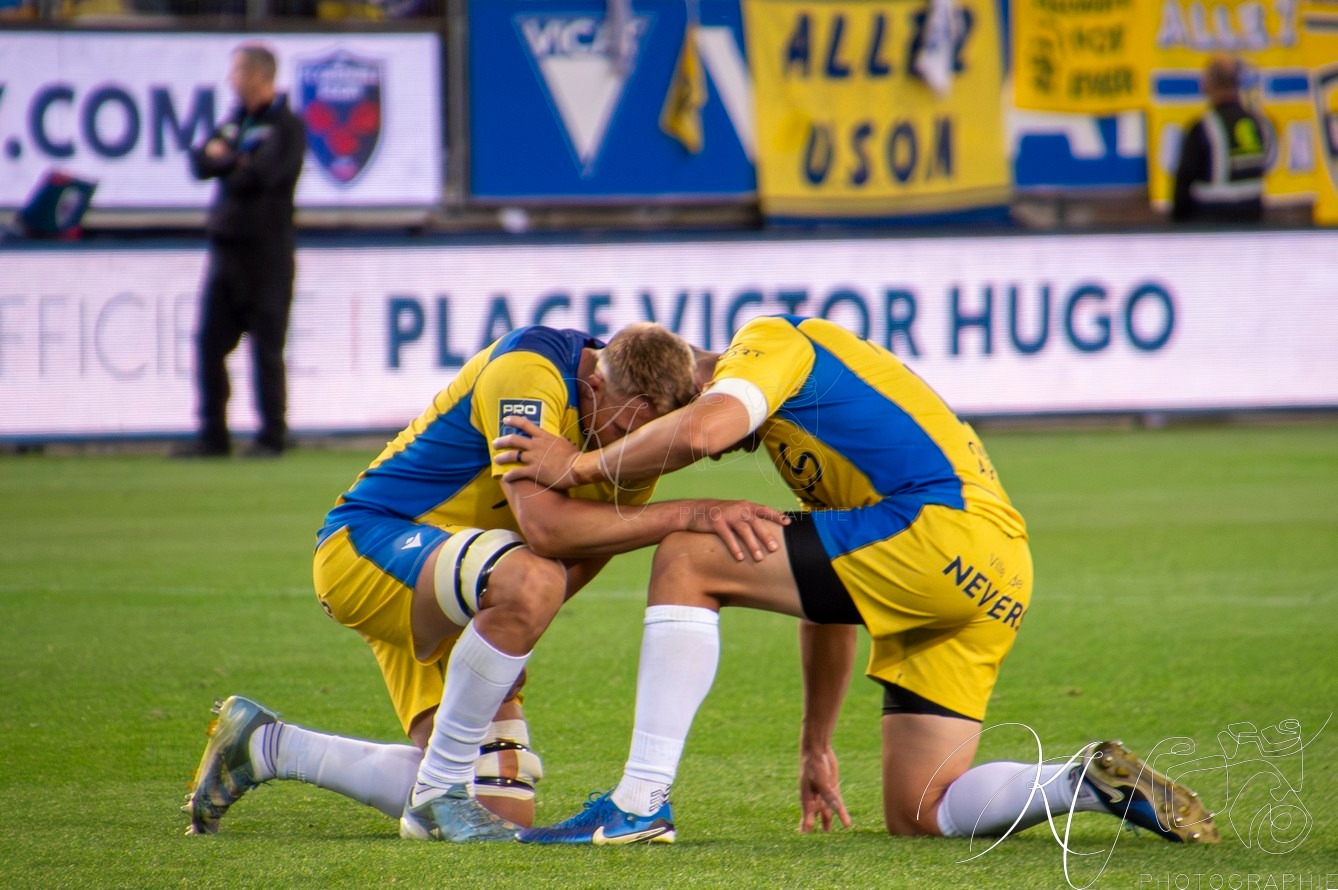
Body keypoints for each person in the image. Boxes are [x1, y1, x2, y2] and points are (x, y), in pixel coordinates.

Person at [495, 314, 1220, 846]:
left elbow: (703, 431)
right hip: (994, 573)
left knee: (689, 552)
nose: (708, 462)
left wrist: (579, 466)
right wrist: (816, 741)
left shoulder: (770, 341)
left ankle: (639, 803)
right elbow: (830, 596)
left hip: (935, 530)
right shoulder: (800, 443)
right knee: (922, 810)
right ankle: (1079, 782)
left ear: (692, 384)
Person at [183, 323, 788, 842]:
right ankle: (435, 797)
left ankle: (266, 746)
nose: (628, 447)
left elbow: (594, 543)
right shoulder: (529, 373)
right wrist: (689, 512)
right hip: (371, 546)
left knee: (501, 807)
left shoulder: (637, 431)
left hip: (469, 579)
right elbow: (546, 530)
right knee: (529, 580)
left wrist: (512, 636)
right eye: (619, 428)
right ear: (595, 383)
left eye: (646, 434)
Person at [174, 43, 305, 459]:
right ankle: (213, 437)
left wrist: (225, 162)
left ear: (257, 76)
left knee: (266, 349)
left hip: (267, 256)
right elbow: (199, 162)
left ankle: (271, 437)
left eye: (237, 72)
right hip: (225, 252)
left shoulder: (286, 126)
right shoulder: (236, 121)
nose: (231, 80)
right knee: (208, 345)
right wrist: (236, 160)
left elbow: (262, 176)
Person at [1171, 55, 1272, 225]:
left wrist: (1177, 226)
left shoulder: (1203, 128)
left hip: (1212, 224)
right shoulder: (1258, 123)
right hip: (1253, 221)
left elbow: (1183, 186)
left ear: (1207, 85)